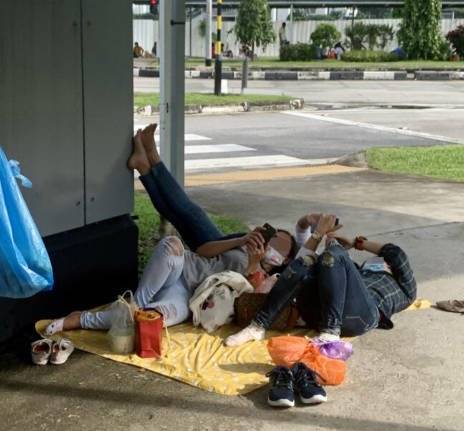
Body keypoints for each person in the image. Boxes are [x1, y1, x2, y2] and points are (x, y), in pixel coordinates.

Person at [45, 125, 297, 335]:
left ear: (283, 260)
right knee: (185, 215)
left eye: (280, 247)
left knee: (150, 318)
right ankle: (148, 160)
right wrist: (240, 240)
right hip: (184, 266)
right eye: (274, 238)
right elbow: (203, 250)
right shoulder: (245, 243)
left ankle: (147, 162)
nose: (272, 244)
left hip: (188, 295)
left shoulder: (269, 280)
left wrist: (254, 265)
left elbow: (243, 303)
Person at [225, 214, 417, 346]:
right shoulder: (358, 271)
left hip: (359, 317)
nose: (378, 263)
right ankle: (258, 326)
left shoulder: (405, 289)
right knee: (305, 262)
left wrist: (358, 244)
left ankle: (330, 333)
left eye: (383, 263)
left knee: (333, 253)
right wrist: (323, 239)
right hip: (318, 314)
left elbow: (397, 254)